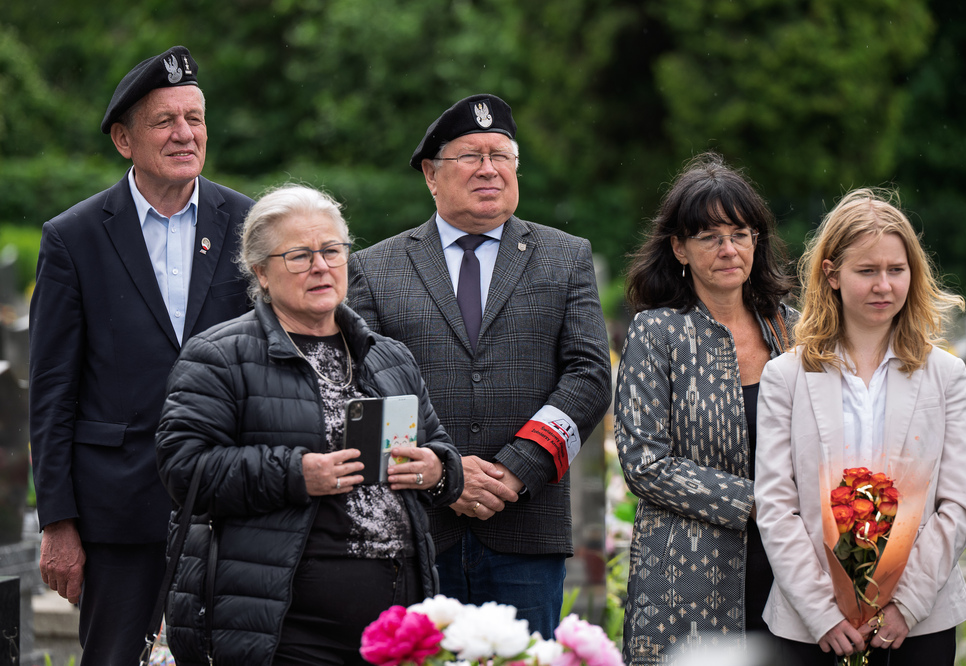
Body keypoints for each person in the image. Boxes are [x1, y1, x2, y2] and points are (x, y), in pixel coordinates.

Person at [156, 185, 464, 666]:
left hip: (396, 617)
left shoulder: (389, 356)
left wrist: (436, 471)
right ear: (261, 270)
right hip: (283, 623)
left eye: (332, 251)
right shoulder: (218, 355)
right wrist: (298, 474)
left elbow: (440, 450)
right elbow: (185, 470)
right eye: (299, 256)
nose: (321, 266)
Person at [348, 94, 612, 637]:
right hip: (415, 526)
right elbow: (365, 392)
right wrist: (446, 475)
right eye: (471, 155)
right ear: (430, 174)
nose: (489, 169)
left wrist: (519, 466)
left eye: (502, 155)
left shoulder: (565, 256)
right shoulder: (374, 268)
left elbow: (588, 376)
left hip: (525, 527)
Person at [28, 46, 254, 665]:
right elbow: (52, 390)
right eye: (164, 121)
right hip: (118, 515)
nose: (185, 134)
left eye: (195, 117)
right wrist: (58, 521)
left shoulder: (250, 224)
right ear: (124, 140)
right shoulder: (72, 237)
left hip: (231, 504)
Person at [755, 188, 966, 665]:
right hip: (809, 626)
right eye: (867, 271)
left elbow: (958, 503)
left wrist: (906, 604)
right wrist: (822, 613)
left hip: (919, 621)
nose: (884, 286)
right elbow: (776, 506)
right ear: (832, 275)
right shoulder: (787, 378)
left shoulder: (945, 375)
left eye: (896, 270)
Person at [614, 152, 796, 665]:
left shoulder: (792, 329)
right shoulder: (657, 333)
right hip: (686, 574)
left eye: (740, 234)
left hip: (791, 565)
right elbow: (644, 463)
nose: (728, 249)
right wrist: (758, 502)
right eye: (710, 236)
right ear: (679, 248)